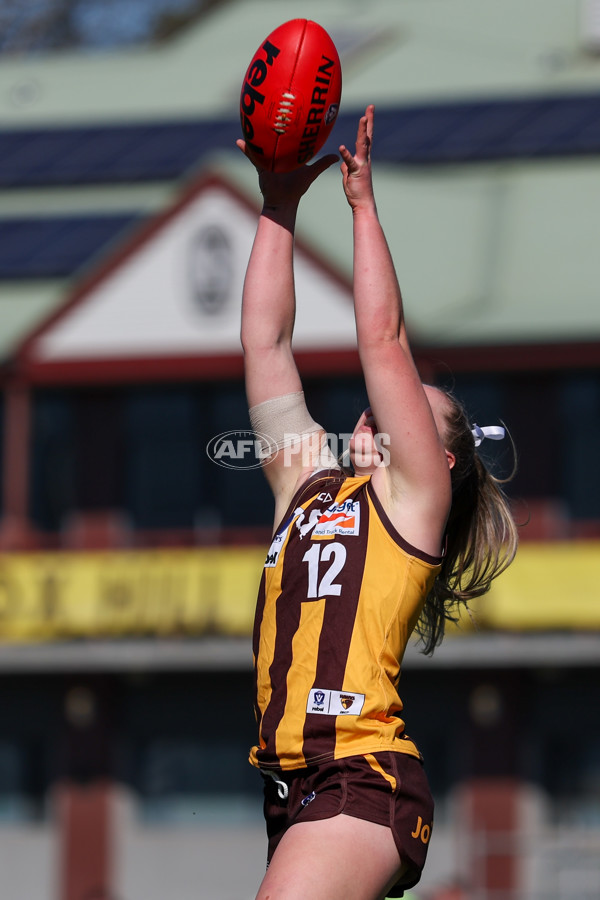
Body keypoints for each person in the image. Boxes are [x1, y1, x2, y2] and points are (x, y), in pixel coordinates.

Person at [237, 105, 518, 900]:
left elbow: (383, 342)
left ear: (445, 459)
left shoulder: (413, 501)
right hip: (293, 787)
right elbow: (265, 344)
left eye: (412, 414)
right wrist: (278, 203)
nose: (383, 409)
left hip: (366, 776)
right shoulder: (306, 484)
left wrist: (362, 208)